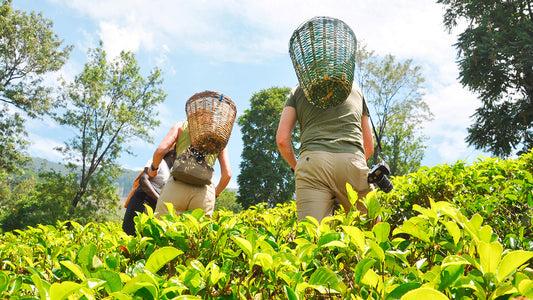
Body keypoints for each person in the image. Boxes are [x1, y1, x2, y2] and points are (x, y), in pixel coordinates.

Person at [276, 82, 375, 223]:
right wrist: (352, 166)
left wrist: (298, 167)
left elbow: (282, 140)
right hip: (352, 160)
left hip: (312, 163)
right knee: (370, 230)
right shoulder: (356, 89)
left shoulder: (298, 90)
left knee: (311, 238)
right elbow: (369, 145)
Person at [148, 120, 231, 217]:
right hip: (204, 193)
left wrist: (153, 169)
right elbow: (227, 175)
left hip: (176, 186)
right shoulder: (219, 137)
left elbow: (160, 150)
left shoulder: (181, 125)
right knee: (197, 230)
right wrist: (214, 194)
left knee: (162, 228)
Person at [122, 149, 176, 235]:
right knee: (131, 237)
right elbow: (143, 180)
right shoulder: (159, 162)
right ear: (172, 154)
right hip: (141, 203)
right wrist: (159, 200)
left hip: (152, 208)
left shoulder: (169, 173)